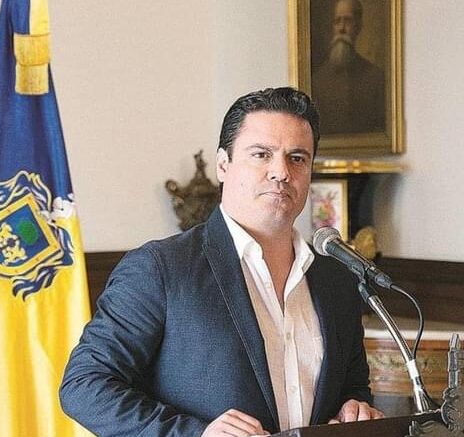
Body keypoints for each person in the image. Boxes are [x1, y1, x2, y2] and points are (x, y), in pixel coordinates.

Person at [59, 87, 383, 436]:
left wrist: (355, 408)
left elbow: (352, 389)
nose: (281, 172)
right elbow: (84, 385)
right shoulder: (160, 268)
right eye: (261, 154)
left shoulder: (336, 278)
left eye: (297, 158)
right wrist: (195, 434)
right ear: (223, 165)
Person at [312, 0, 385, 134]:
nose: (341, 28)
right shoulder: (317, 81)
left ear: (358, 26)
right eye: (337, 21)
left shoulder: (376, 78)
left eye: (348, 21)